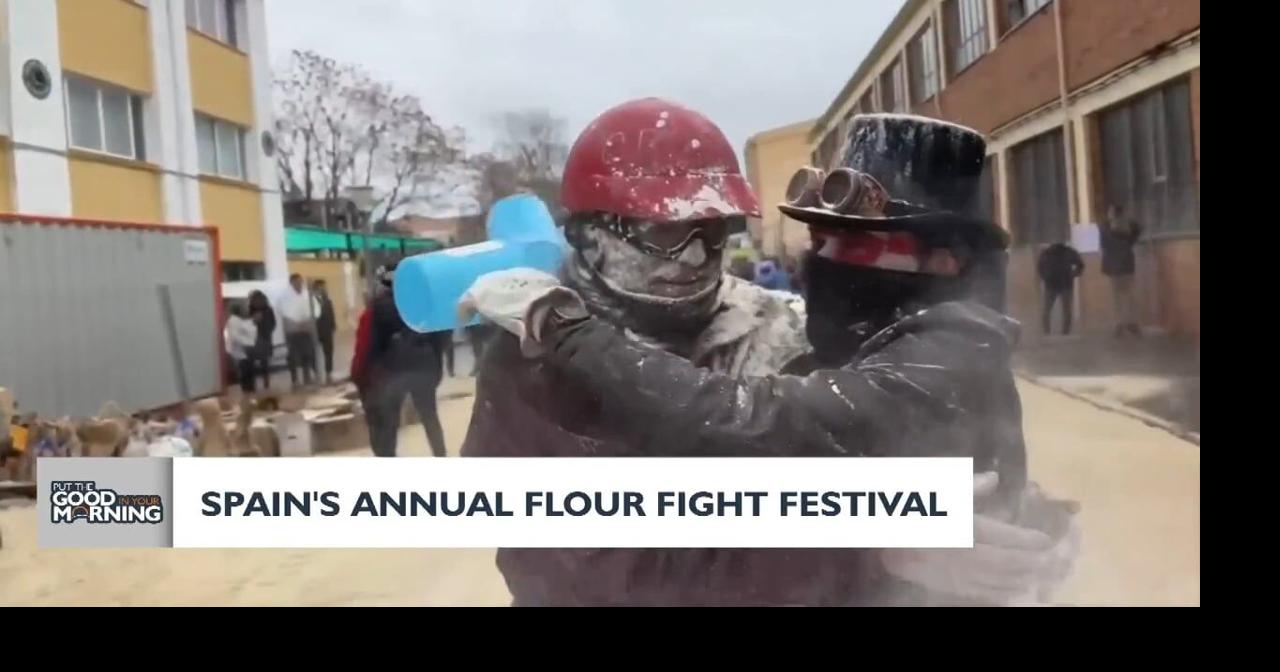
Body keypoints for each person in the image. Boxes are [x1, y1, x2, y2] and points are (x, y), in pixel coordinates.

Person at [463, 113, 1076, 606]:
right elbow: (585, 571)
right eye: (662, 233)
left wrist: (1016, 520)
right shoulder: (532, 365)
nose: (692, 259)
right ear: (585, 233)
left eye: (713, 231)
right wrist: (866, 552)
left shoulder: (777, 325)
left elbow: (845, 441)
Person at [351, 262, 447, 458]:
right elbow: (440, 336)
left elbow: (370, 344)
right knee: (430, 418)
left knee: (389, 422)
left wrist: (363, 376)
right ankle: (441, 456)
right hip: (423, 367)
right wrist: (436, 366)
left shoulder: (378, 306)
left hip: (393, 371)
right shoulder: (424, 301)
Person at [1100, 203, 1143, 337]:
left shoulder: (1106, 229)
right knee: (1130, 294)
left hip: (1113, 266)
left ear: (1112, 214)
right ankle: (1132, 322)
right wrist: (1127, 218)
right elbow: (1138, 229)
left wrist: (1112, 218)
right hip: (1127, 265)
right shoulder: (1128, 230)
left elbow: (1103, 241)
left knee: (1116, 296)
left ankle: (1119, 323)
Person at [1037, 241, 1085, 335]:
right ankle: (1048, 332)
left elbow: (1080, 265)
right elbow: (1040, 268)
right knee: (1048, 310)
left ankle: (1063, 333)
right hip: (1054, 284)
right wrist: (1045, 276)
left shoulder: (1066, 252)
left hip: (1063, 284)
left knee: (1064, 310)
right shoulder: (1047, 253)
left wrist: (1074, 274)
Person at [280, 273, 317, 387]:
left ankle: (307, 377)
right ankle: (295, 379)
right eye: (296, 282)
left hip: (306, 329)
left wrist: (309, 320)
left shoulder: (307, 295)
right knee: (293, 356)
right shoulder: (285, 296)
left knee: (308, 354)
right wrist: (295, 323)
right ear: (291, 283)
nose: (299, 284)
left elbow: (315, 309)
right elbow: (283, 311)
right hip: (292, 330)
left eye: (300, 282)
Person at [224, 304, 260, 394]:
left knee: (247, 373)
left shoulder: (237, 321)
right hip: (242, 351)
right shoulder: (235, 321)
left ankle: (248, 391)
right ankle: (249, 391)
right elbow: (236, 336)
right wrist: (248, 343)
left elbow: (236, 336)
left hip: (243, 351)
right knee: (247, 373)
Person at [246, 290, 276, 390]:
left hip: (264, 338)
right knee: (254, 363)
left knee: (264, 363)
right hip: (254, 339)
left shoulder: (268, 310)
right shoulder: (250, 310)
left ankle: (265, 383)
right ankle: (254, 384)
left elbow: (272, 323)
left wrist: (267, 331)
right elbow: (246, 324)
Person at [311, 279, 337, 383]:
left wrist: (333, 326)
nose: (324, 289)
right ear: (317, 288)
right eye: (322, 287)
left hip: (327, 330)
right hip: (316, 330)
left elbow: (331, 314)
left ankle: (328, 373)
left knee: (329, 352)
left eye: (324, 287)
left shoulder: (327, 300)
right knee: (314, 352)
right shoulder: (311, 301)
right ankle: (315, 372)